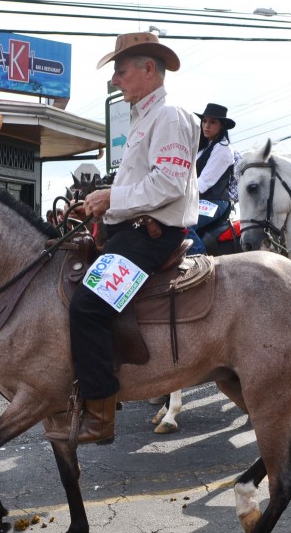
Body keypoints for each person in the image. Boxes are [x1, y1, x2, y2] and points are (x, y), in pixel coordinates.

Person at [61, 32, 198, 445]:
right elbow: (143, 183)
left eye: (121, 71)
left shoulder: (169, 116)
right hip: (132, 228)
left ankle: (100, 414)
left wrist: (112, 197)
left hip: (151, 235)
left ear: (148, 70)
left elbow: (170, 184)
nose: (116, 80)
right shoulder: (144, 118)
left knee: (87, 307)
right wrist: (99, 204)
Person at [187, 102, 237, 255]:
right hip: (199, 200)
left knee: (183, 224)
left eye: (212, 122)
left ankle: (200, 262)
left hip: (215, 201)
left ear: (222, 126)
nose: (206, 126)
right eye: (204, 121)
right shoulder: (202, 148)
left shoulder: (223, 149)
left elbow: (203, 183)